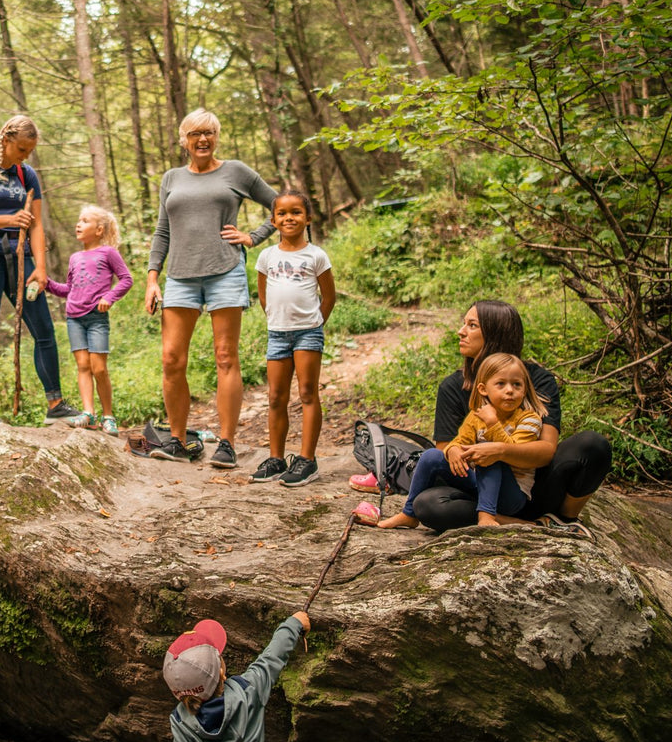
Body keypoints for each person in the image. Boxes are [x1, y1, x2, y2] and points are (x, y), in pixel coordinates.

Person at [385, 300, 611, 531]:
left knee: (592, 444)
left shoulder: (537, 380)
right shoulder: (453, 387)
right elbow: (447, 454)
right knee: (429, 504)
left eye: (472, 325)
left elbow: (545, 452)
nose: (461, 332)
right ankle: (529, 525)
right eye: (464, 324)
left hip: (529, 489)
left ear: (496, 333)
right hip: (479, 491)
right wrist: (465, 451)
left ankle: (564, 519)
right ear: (483, 389)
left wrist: (499, 450)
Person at [142, 109, 278, 467]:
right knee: (171, 359)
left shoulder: (236, 172)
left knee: (225, 357)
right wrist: (152, 278)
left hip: (225, 271)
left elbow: (280, 206)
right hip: (180, 276)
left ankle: (228, 443)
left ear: (217, 136)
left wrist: (253, 237)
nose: (202, 139)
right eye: (195, 133)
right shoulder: (171, 178)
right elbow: (163, 231)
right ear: (183, 139)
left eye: (209, 133)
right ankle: (176, 440)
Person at [0, 115, 83, 431]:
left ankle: (55, 404)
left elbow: (36, 224)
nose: (25, 155)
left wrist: (41, 268)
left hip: (21, 258)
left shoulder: (27, 175)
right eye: (22, 149)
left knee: (43, 328)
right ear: (7, 140)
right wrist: (10, 220)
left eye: (30, 150)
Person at [369, 353, 545, 529]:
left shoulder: (529, 419)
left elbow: (513, 451)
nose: (509, 390)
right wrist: (453, 449)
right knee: (431, 456)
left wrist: (492, 423)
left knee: (488, 451)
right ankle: (409, 514)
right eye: (501, 384)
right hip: (480, 486)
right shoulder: (477, 416)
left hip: (511, 496)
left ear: (525, 389)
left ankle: (487, 515)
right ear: (483, 389)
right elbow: (459, 442)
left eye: (517, 384)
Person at [130, 612, 310, 742]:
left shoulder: (181, 720)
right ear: (222, 672)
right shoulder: (248, 690)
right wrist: (294, 623)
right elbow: (273, 656)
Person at [252, 190, 335, 488]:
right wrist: (278, 319)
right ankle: (276, 458)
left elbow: (329, 297)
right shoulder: (267, 256)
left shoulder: (316, 255)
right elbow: (263, 295)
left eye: (296, 212)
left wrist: (313, 324)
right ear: (273, 220)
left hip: (308, 332)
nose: (289, 218)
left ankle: (307, 459)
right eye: (282, 213)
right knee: (276, 397)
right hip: (277, 333)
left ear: (308, 218)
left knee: (308, 393)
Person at [45, 204, 133, 434]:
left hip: (97, 317)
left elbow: (126, 279)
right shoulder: (74, 257)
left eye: (84, 221)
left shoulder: (108, 253)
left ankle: (108, 415)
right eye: (78, 220)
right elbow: (69, 289)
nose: (78, 224)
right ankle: (88, 413)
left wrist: (109, 297)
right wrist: (48, 284)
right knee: (83, 366)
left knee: (99, 368)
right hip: (74, 317)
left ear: (99, 229)